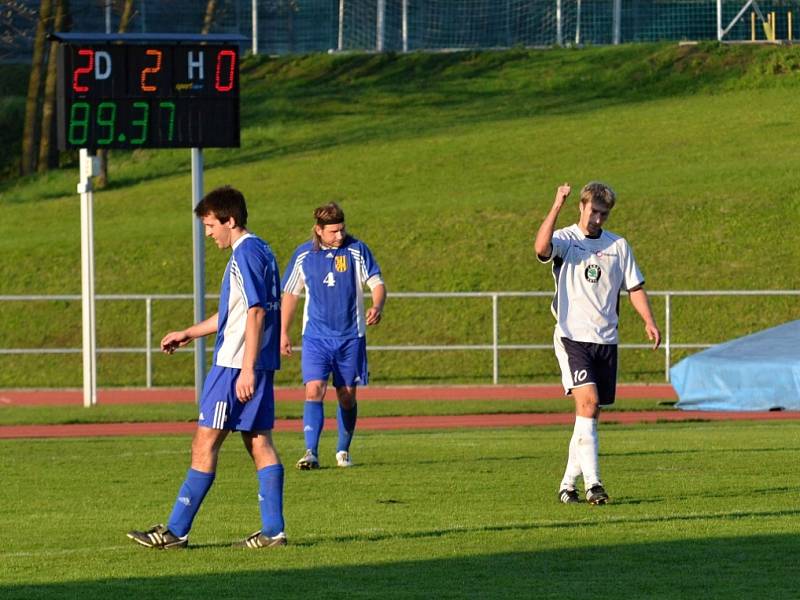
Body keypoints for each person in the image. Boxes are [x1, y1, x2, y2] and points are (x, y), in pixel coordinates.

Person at [127, 186, 287, 549]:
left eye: (211, 225)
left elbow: (257, 311)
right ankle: (274, 531)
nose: (208, 233)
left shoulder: (244, 254)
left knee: (204, 443)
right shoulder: (262, 249)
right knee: (260, 441)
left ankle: (175, 531)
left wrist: (245, 369)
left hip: (234, 367)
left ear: (230, 220)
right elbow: (236, 311)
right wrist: (189, 332)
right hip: (254, 365)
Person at [534, 182, 661, 505]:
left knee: (588, 415)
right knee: (587, 404)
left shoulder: (618, 245)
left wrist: (648, 320)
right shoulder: (566, 239)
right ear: (582, 207)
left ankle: (567, 485)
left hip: (606, 339)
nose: (598, 220)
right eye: (593, 212)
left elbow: (634, 287)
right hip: (572, 337)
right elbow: (540, 248)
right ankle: (594, 485)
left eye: (604, 214)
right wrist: (556, 204)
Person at [281, 202, 386, 470]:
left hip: (351, 337)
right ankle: (310, 452)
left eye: (342, 230)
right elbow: (291, 294)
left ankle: (342, 450)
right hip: (316, 337)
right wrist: (283, 331)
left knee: (347, 395)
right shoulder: (304, 255)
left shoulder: (356, 250)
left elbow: (377, 283)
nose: (339, 235)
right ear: (319, 230)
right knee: (314, 389)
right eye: (333, 231)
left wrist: (377, 305)